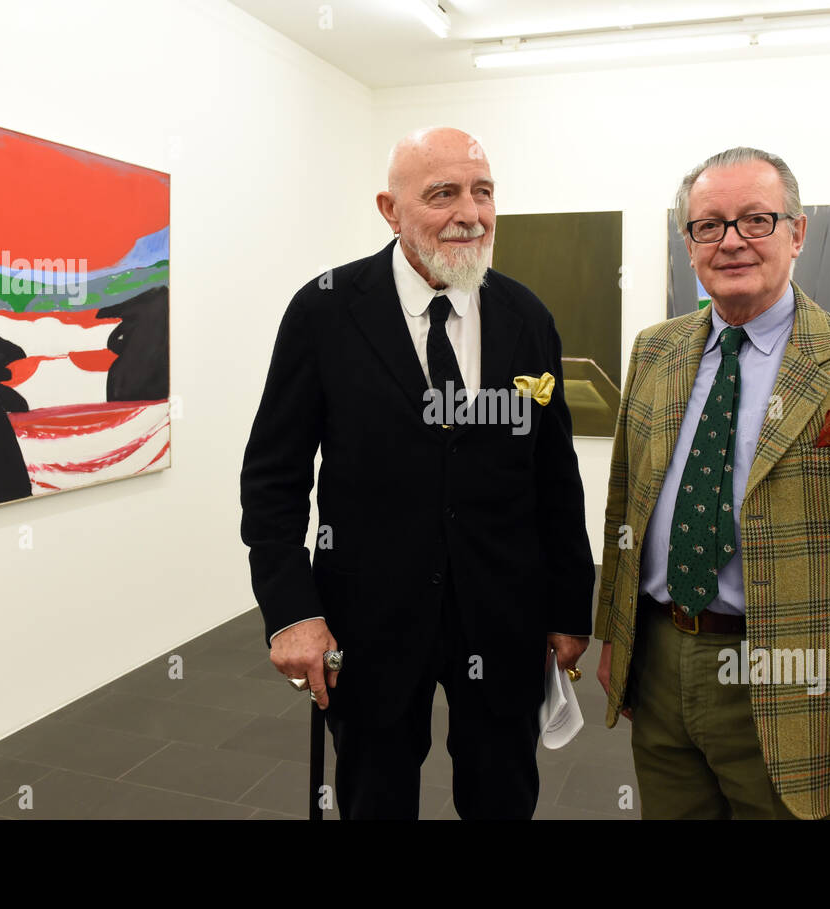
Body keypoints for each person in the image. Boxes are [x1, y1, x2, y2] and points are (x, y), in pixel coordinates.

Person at [240, 127, 595, 820]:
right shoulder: (324, 310)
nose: (470, 212)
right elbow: (273, 476)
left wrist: (568, 603)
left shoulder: (527, 317)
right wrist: (291, 610)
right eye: (443, 193)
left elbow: (555, 474)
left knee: (502, 794)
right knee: (376, 794)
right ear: (389, 208)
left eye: (483, 191)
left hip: (503, 612)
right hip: (368, 618)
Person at [594, 147, 830, 820]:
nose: (731, 241)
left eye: (756, 219)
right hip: (662, 660)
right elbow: (624, 509)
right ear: (689, 242)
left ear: (798, 232)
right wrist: (615, 633)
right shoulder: (654, 350)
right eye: (709, 225)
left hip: (794, 679)